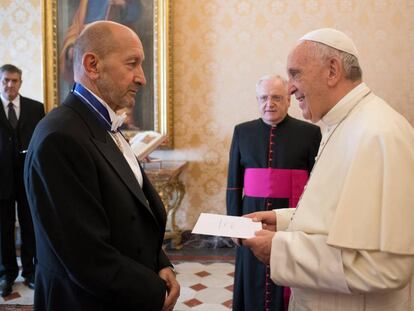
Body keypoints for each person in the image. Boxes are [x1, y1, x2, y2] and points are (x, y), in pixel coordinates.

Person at [243, 28, 414, 310]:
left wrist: (280, 249)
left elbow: (385, 267)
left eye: (295, 74)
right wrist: (283, 221)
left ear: (332, 70)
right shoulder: (343, 124)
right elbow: (342, 216)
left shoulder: (377, 134)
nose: (289, 88)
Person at [24, 21, 179, 311]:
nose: (142, 78)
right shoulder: (59, 137)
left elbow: (132, 215)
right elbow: (85, 256)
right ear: (92, 65)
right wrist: (154, 291)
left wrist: (161, 263)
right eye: (132, 63)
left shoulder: (104, 125)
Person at [227, 75, 321, 311]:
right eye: (264, 98)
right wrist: (233, 224)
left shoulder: (310, 133)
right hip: (252, 216)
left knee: (290, 277)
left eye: (277, 97)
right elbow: (233, 184)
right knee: (253, 275)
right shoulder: (242, 132)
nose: (269, 103)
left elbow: (318, 184)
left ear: (289, 100)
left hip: (293, 217)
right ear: (257, 100)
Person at [0, 64, 45, 297]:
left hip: (28, 177)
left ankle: (30, 272)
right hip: (1, 180)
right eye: (6, 80)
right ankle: (6, 275)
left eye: (14, 80)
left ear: (21, 82)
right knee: (3, 230)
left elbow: (42, 141)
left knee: (30, 226)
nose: (10, 85)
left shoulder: (35, 108)